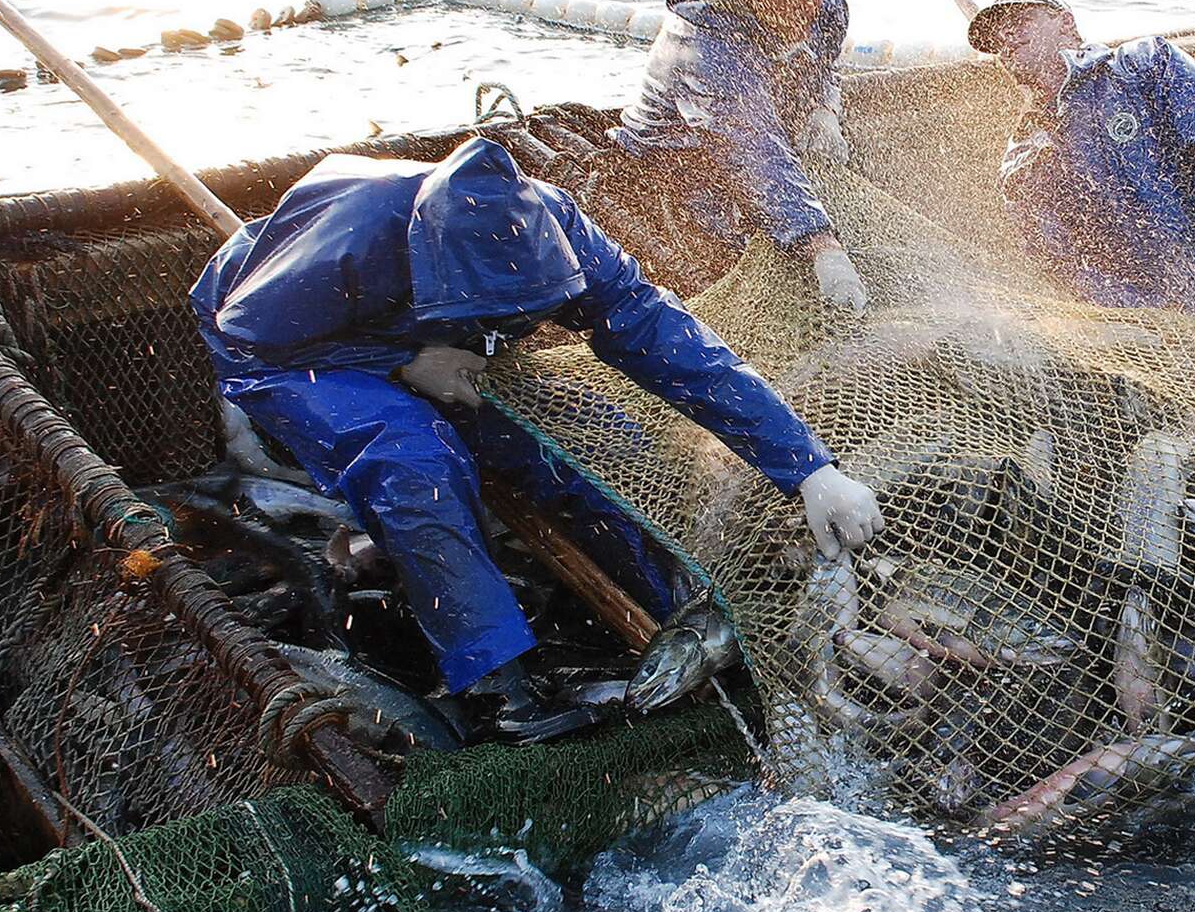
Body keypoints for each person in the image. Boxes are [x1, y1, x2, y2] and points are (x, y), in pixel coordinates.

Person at [190, 137, 883, 741]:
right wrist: (401, 362)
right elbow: (246, 333)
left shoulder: (560, 229)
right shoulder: (351, 246)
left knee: (596, 444)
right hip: (289, 346)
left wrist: (808, 467)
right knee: (414, 459)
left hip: (436, 337)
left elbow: (665, 340)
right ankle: (496, 685)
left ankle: (674, 615)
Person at [967, 0, 1195, 317]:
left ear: (1066, 22)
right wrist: (1137, 317)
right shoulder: (1023, 158)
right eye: (997, 39)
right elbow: (1062, 264)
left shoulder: (1145, 64)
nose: (1006, 40)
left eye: (1018, 22)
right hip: (1162, 325)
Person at [604, 0, 868, 311]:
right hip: (670, 175)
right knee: (747, 286)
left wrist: (824, 108)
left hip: (760, 153)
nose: (804, 12)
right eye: (785, 4)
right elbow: (753, 148)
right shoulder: (703, 41)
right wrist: (822, 244)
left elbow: (821, 65)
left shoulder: (824, 8)